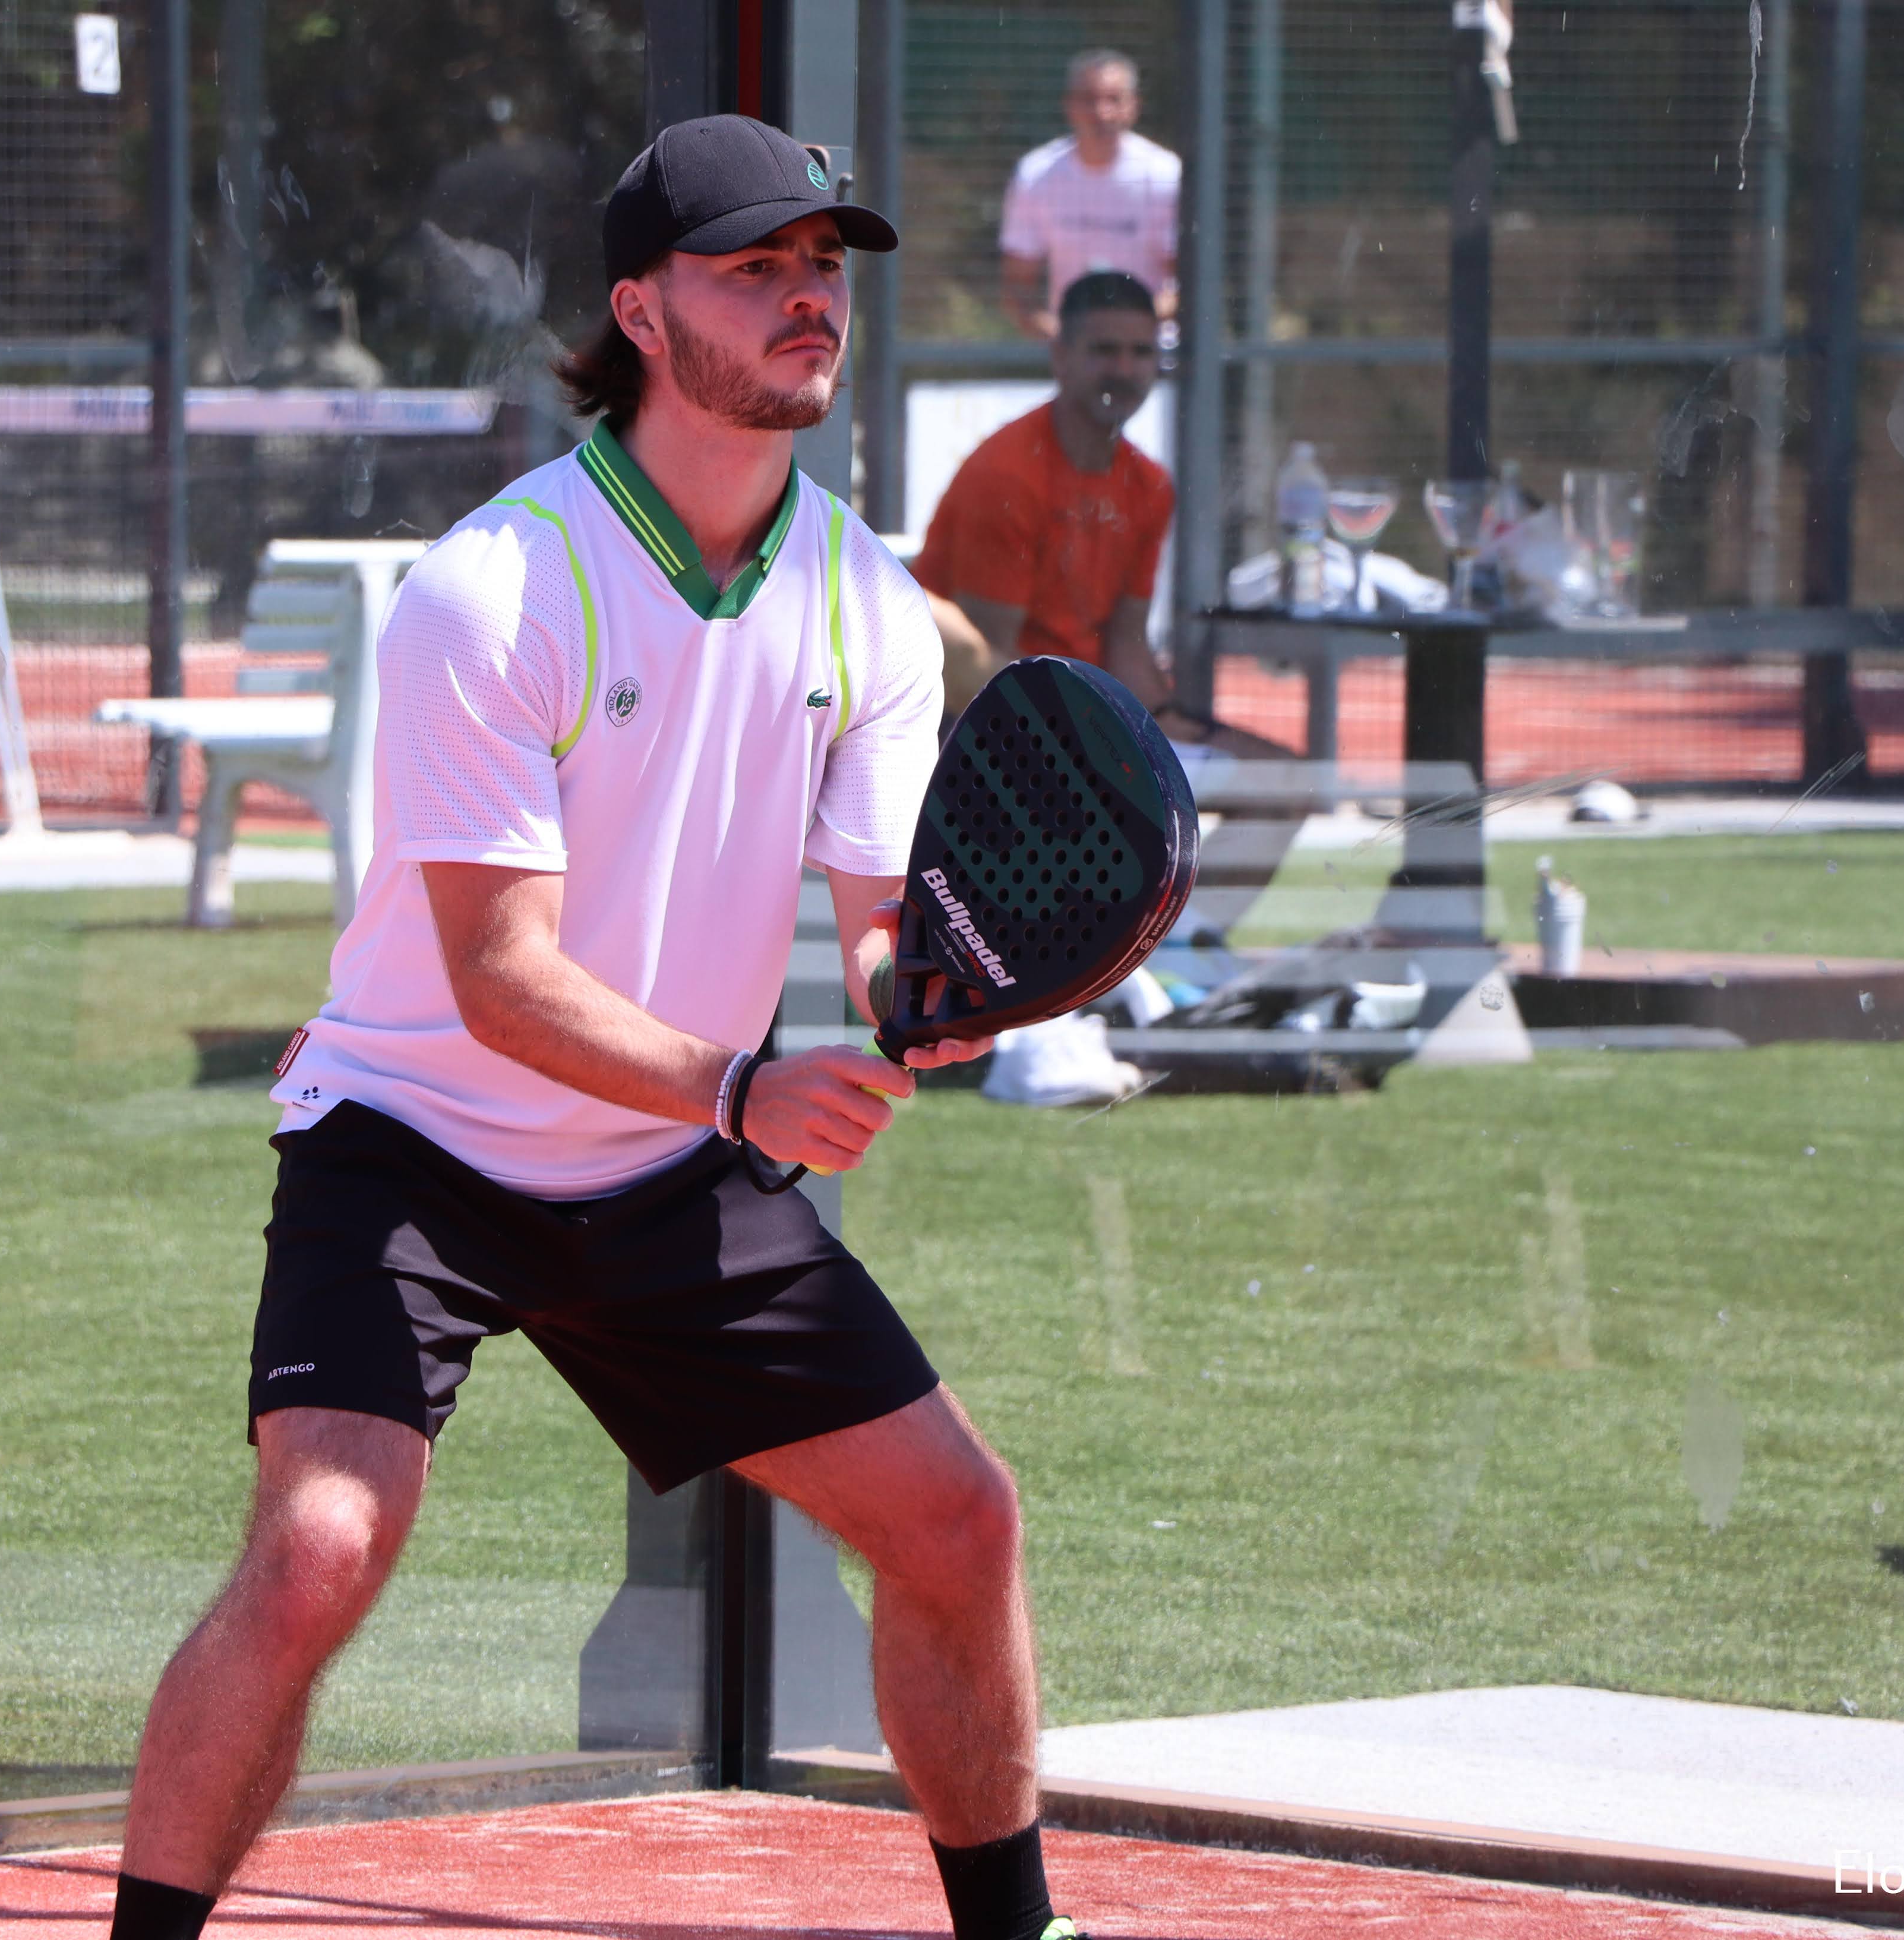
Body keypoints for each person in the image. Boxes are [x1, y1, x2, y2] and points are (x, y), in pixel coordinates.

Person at [103, 114, 1079, 1940]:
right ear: (640, 312)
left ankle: (1020, 1933)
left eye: (823, 265)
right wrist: (744, 1088)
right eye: (754, 267)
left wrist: (925, 1003)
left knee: (960, 1518)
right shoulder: (494, 586)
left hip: (668, 1162)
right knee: (316, 1552)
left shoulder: (864, 597)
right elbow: (498, 973)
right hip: (414, 1142)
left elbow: (876, 918)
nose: (807, 298)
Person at [914, 272, 1207, 740]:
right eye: (1105, 351)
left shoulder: (1150, 485)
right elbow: (985, 673)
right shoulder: (1008, 475)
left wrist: (1177, 732)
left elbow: (1126, 646)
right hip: (992, 732)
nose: (1125, 370)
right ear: (1060, 356)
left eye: (1141, 352)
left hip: (1076, 719)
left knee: (1262, 768)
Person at [998, 51, 1180, 343]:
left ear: (1134, 106)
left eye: (1114, 100)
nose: (1101, 113)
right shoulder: (1036, 174)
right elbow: (1018, 284)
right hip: (1073, 350)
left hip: (1154, 348)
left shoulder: (1165, 174)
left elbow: (1188, 282)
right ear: (1068, 105)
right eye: (1089, 99)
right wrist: (1065, 336)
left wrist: (1127, 330)